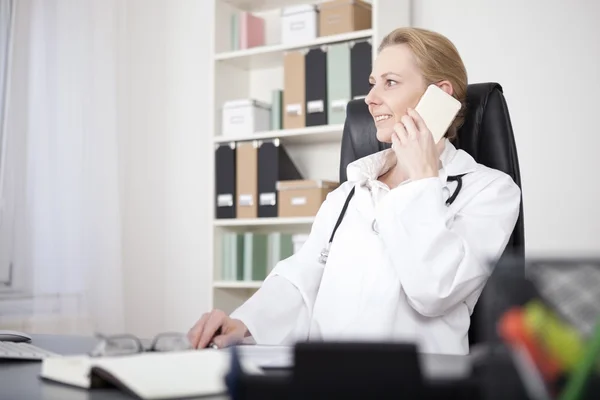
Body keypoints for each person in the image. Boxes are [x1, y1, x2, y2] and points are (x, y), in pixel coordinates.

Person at [188, 27, 521, 355]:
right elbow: (304, 276)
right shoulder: (349, 193)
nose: (371, 99)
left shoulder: (491, 191)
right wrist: (244, 323)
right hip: (326, 379)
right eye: (373, 84)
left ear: (441, 95)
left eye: (390, 82)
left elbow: (434, 291)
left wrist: (422, 180)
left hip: (415, 384)